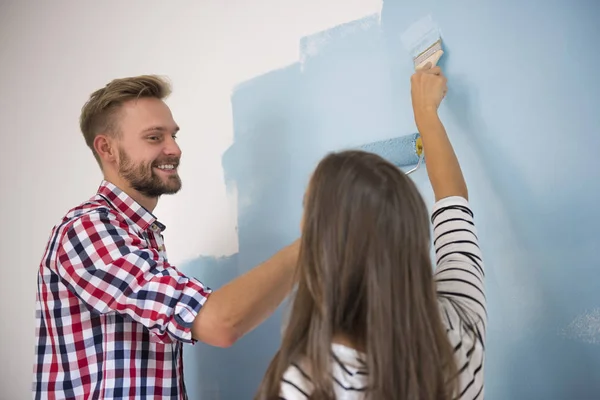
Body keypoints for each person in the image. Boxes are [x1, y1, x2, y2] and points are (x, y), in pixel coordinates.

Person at [32, 75, 299, 399]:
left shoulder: (139, 234)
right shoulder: (88, 231)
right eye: (154, 137)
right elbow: (220, 323)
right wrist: (315, 240)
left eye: (172, 135)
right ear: (107, 148)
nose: (174, 149)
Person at [254, 64, 486, 400]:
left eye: (309, 208)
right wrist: (426, 112)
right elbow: (454, 205)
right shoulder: (460, 331)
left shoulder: (303, 383)